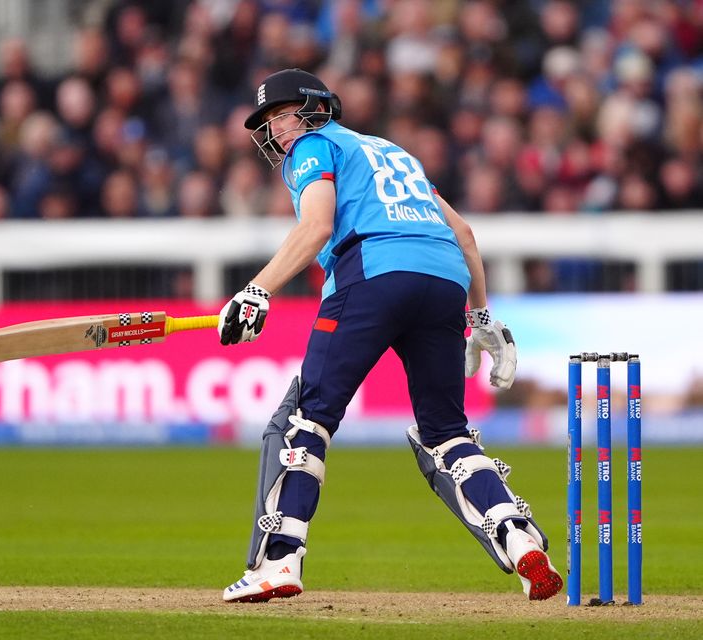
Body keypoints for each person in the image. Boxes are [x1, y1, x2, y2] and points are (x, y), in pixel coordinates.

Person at [218, 68, 562, 604]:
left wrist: (257, 290)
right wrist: (480, 317)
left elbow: (316, 228)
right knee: (447, 433)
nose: (274, 132)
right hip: (444, 282)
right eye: (266, 122)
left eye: (280, 116)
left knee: (305, 419)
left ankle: (279, 562)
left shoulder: (312, 147)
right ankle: (518, 539)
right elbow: (465, 234)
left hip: (373, 273)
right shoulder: (394, 153)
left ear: (312, 110)